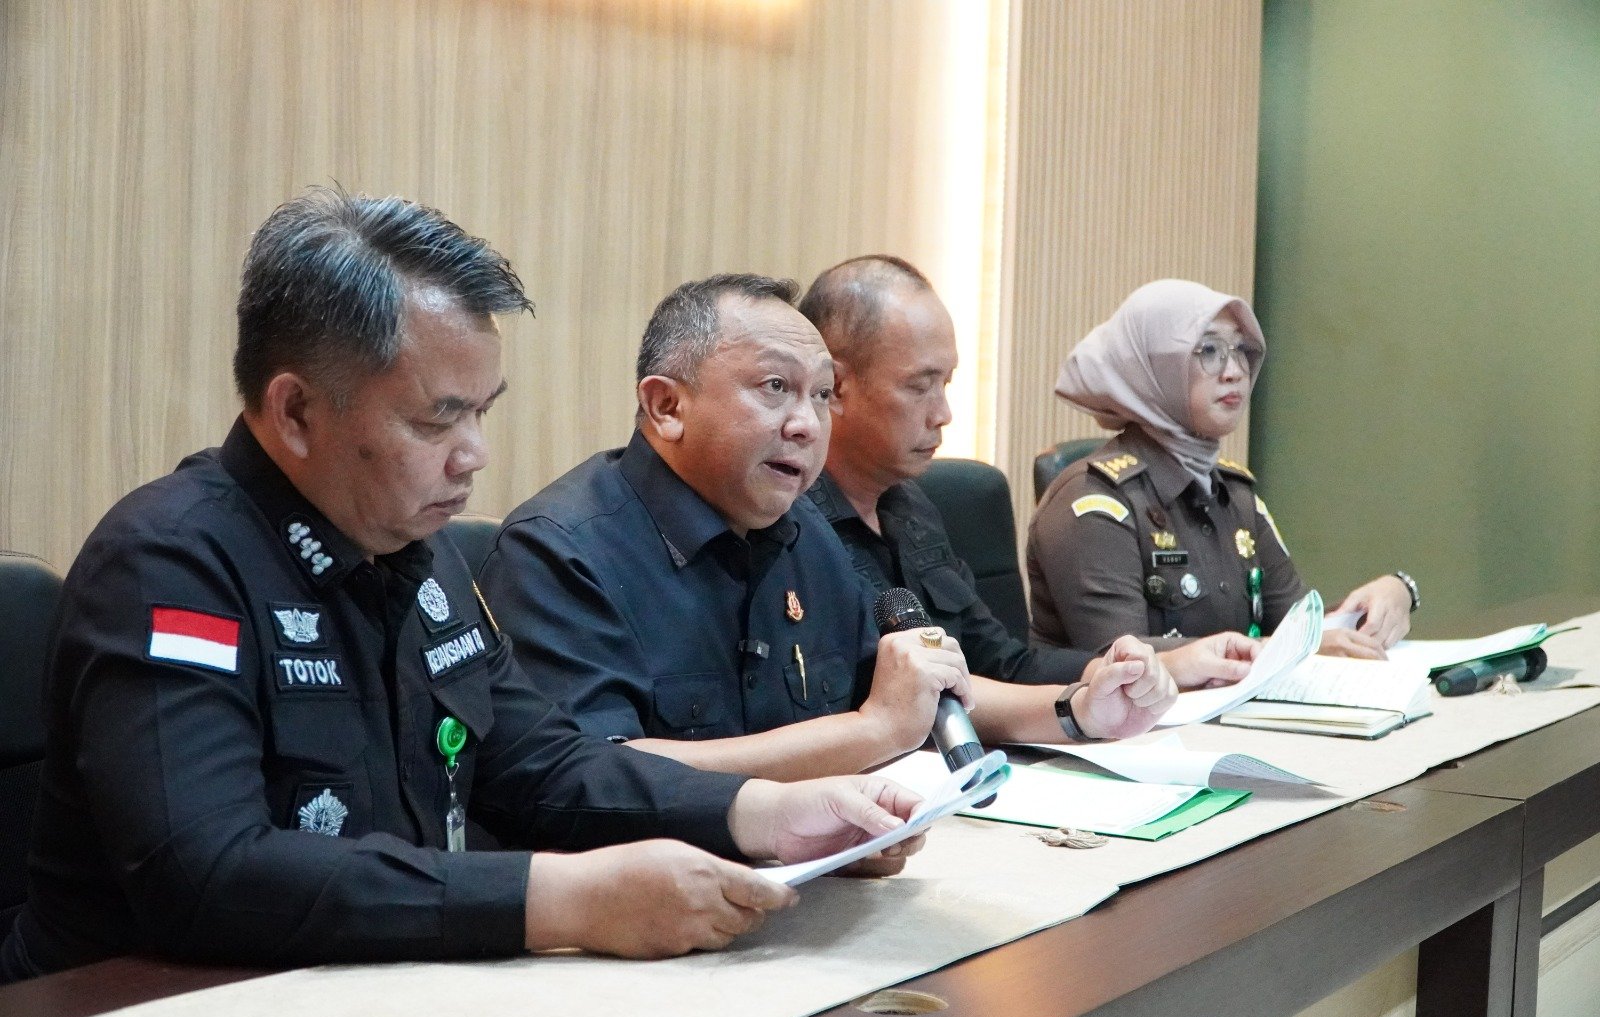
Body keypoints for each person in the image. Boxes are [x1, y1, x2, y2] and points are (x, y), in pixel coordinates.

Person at [0, 192, 925, 983]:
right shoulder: (170, 562)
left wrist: (762, 812)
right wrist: (559, 898)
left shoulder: (418, 548)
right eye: (436, 421)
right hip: (149, 1012)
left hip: (385, 992)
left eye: (483, 412)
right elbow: (207, 875)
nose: (475, 456)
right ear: (296, 410)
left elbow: (540, 764)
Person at [479, 274, 1173, 782]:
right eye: (774, 388)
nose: (807, 425)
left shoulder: (801, 531)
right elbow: (595, 777)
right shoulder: (560, 549)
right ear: (666, 407)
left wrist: (1075, 710)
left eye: (819, 395)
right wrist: (864, 740)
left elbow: (910, 691)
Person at [797, 256, 1257, 746]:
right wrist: (1076, 711)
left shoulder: (909, 509)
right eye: (919, 386)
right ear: (836, 388)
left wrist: (1128, 670)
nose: (944, 413)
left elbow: (1002, 663)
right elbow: (894, 700)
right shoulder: (792, 527)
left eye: (946, 384)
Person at [1027, 278, 1419, 658]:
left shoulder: (1234, 494)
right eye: (1209, 350)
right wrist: (1290, 648)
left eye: (1241, 349)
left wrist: (1393, 594)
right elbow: (1121, 662)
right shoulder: (1091, 499)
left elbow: (1297, 627)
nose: (1235, 371)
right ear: (1153, 368)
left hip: (1234, 704)